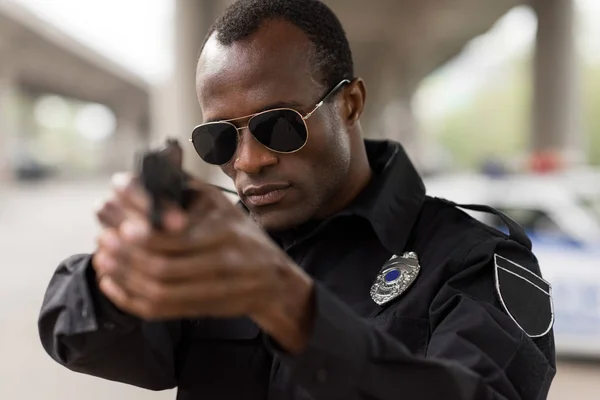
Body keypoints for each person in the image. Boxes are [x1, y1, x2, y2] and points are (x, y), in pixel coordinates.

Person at [38, 0, 556, 399]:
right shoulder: (219, 243)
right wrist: (119, 274)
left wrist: (290, 306)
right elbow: (83, 338)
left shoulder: (473, 259)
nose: (247, 160)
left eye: (277, 126)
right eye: (219, 139)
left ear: (349, 105)